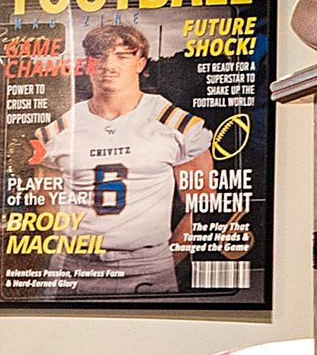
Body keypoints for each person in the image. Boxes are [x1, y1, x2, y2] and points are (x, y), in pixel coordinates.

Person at [26, 21, 212, 297]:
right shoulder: (58, 130)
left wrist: (163, 262)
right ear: (88, 63)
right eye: (99, 56)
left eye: (122, 56)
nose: (108, 66)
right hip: (74, 267)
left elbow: (203, 207)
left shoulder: (177, 124)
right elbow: (47, 207)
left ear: (141, 63)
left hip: (147, 264)